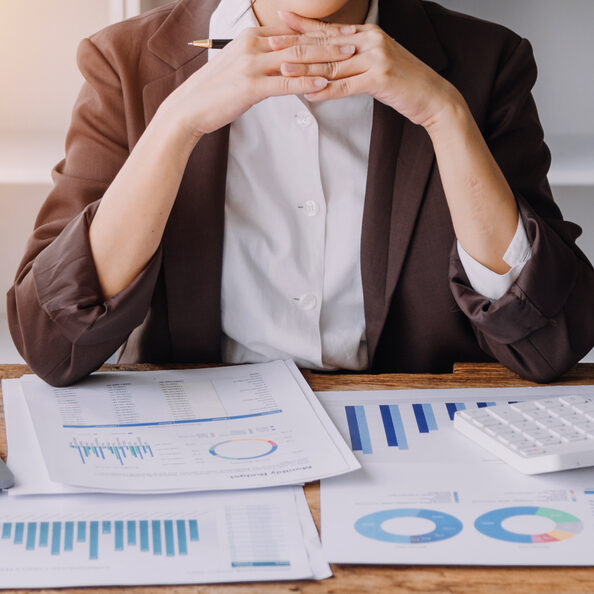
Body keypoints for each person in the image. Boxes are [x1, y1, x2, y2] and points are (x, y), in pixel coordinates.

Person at [7, 0, 594, 387]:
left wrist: (445, 114)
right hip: (195, 449)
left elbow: (548, 344)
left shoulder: (486, 63)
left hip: (417, 457)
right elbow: (52, 343)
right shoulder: (125, 62)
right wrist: (177, 122)